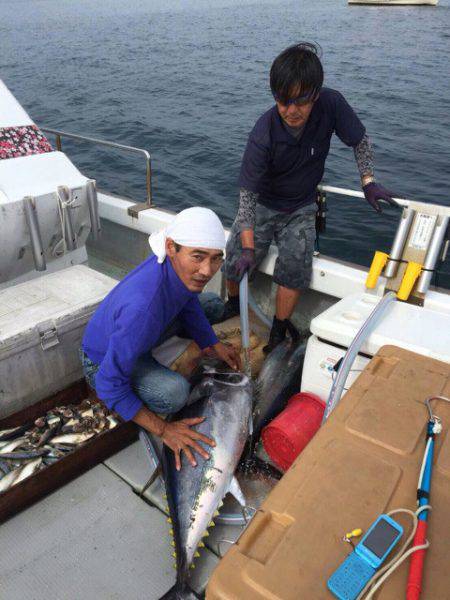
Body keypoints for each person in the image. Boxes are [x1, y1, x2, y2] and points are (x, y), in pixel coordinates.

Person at [223, 42, 395, 353]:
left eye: (301, 101)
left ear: (315, 94)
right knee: (235, 256)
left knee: (296, 267)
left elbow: (360, 140)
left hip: (301, 205)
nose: (291, 111)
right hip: (262, 204)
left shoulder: (332, 105)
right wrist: (248, 249)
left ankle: (279, 329)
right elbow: (247, 199)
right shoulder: (263, 132)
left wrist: (368, 181)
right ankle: (233, 304)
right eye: (283, 101)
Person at [80, 207, 241, 471]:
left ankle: (154, 352)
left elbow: (187, 301)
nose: (207, 270)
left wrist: (212, 343)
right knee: (175, 393)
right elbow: (107, 384)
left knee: (209, 303)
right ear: (171, 247)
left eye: (216, 259)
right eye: (198, 257)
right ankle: (148, 369)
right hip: (100, 363)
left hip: (136, 335)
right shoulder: (142, 310)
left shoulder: (173, 269)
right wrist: (165, 430)